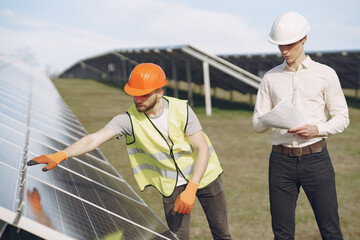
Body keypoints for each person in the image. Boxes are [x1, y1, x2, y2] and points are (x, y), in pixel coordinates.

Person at [27, 63, 232, 240]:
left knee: (221, 233)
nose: (137, 99)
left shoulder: (181, 109)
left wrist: (192, 187)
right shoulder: (128, 120)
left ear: (159, 92)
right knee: (177, 238)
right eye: (134, 94)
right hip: (172, 186)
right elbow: (94, 139)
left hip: (205, 177)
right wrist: (61, 155)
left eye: (143, 94)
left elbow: (202, 148)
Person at [252, 11, 349, 240]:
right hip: (280, 163)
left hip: (316, 159)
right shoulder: (270, 78)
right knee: (282, 234)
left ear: (304, 39)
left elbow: (342, 117)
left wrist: (317, 129)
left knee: (330, 230)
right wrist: (271, 119)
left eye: (289, 45)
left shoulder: (326, 74)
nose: (285, 51)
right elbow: (257, 123)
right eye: (280, 46)